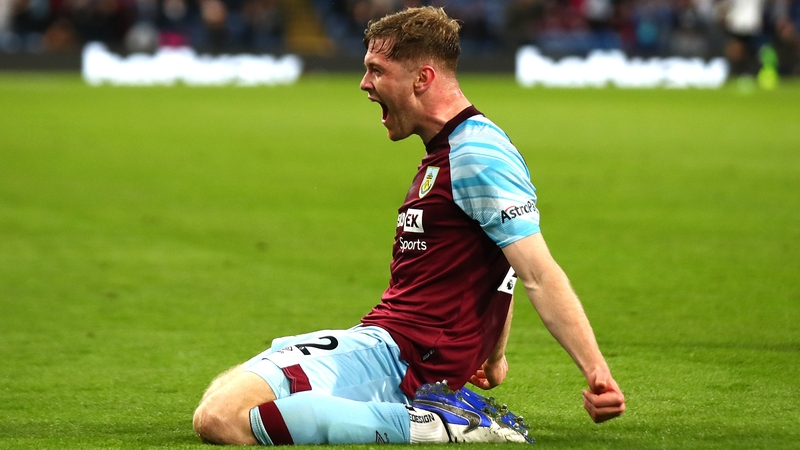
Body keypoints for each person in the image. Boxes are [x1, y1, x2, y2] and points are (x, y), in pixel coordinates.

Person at [192, 6, 626, 446]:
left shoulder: (476, 153)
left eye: (376, 70)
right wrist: (495, 357)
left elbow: (537, 271)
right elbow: (500, 256)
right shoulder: (450, 149)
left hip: (405, 359)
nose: (364, 84)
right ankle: (426, 413)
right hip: (389, 342)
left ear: (422, 78)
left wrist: (596, 371)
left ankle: (437, 425)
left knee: (222, 418)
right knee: (225, 389)